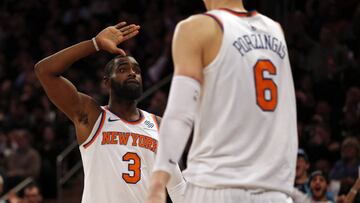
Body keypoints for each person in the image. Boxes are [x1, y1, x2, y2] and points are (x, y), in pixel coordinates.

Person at [148, 0, 297, 202]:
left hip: (217, 185)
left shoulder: (196, 28)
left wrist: (157, 184)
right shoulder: (275, 30)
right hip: (275, 190)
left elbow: (180, 114)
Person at [35, 22, 185, 203]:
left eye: (137, 71)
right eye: (123, 69)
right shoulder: (91, 116)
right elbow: (44, 71)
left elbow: (177, 188)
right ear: (106, 82)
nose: (132, 73)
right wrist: (95, 44)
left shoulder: (158, 125)